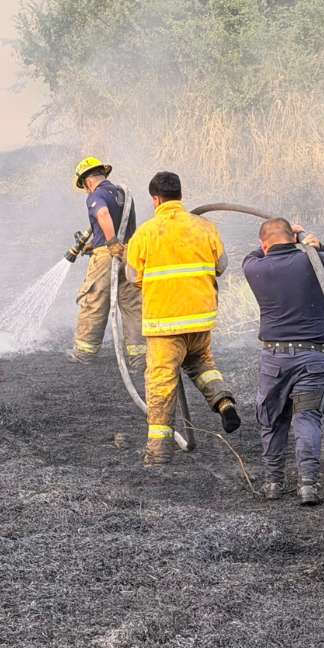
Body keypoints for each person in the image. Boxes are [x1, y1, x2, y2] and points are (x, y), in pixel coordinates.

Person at [124, 171, 240, 465]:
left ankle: (158, 452)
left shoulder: (146, 234)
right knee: (202, 365)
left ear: (155, 199)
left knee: (161, 384)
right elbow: (221, 266)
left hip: (164, 325)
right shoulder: (205, 227)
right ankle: (223, 402)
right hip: (200, 319)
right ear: (180, 194)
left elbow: (133, 276)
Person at [241, 218, 324, 504]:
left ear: (265, 244)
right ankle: (308, 486)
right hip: (313, 358)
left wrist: (282, 239)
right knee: (307, 418)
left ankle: (273, 484)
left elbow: (255, 253)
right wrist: (312, 244)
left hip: (273, 359)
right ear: (293, 239)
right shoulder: (311, 262)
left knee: (272, 420)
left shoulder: (254, 268)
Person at [67, 157, 144, 365]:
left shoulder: (96, 195)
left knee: (94, 300)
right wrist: (97, 242)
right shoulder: (122, 194)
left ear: (87, 181)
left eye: (84, 186)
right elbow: (121, 223)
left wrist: (109, 242)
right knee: (132, 303)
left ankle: (84, 353)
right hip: (129, 254)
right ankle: (139, 356)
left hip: (108, 256)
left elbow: (102, 213)